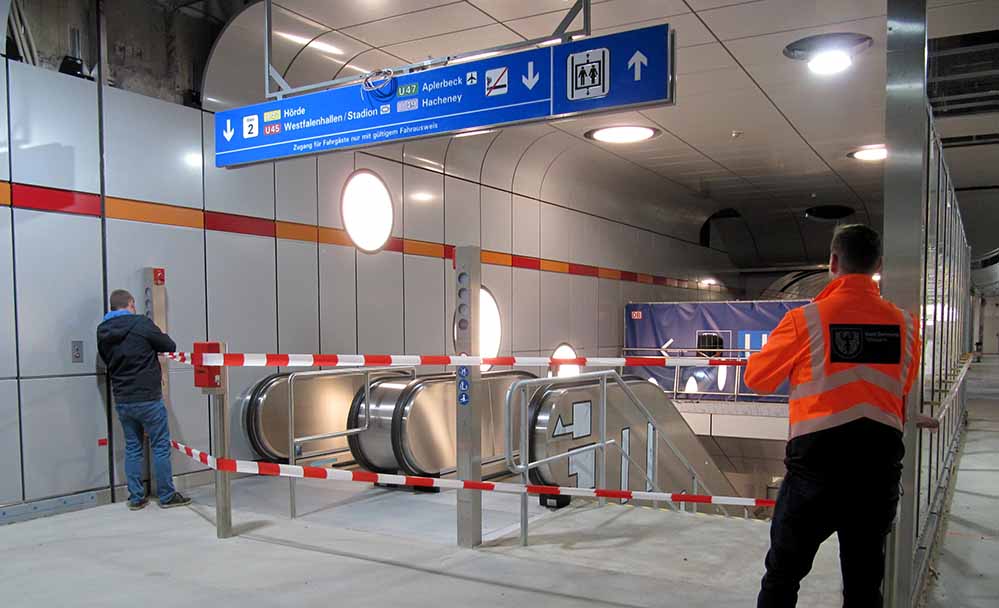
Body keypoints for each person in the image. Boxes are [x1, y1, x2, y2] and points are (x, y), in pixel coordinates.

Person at [744, 224, 938, 607]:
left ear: (833, 262)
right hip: (878, 471)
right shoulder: (907, 326)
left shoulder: (807, 320)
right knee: (864, 585)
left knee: (783, 577)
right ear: (877, 265)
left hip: (814, 472)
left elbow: (757, 379)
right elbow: (900, 390)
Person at [97, 289, 191, 510]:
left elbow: (105, 358)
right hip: (148, 396)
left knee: (132, 447)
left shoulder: (102, 330)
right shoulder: (140, 324)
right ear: (130, 303)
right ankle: (166, 496)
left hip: (122, 398)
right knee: (160, 445)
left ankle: (136, 497)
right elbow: (169, 345)